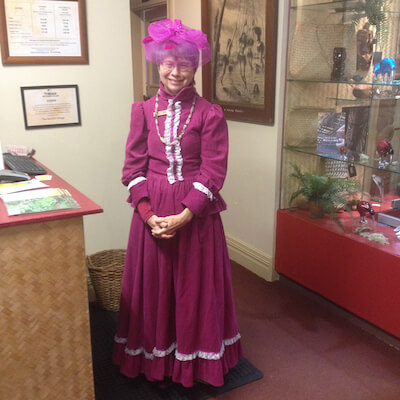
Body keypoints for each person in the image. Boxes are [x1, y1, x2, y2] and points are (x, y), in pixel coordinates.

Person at [113, 19, 242, 388]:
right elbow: (132, 169)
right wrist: (150, 216)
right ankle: (155, 359)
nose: (175, 71)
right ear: (158, 63)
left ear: (195, 67)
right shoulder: (141, 111)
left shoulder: (210, 114)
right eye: (168, 63)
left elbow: (214, 171)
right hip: (150, 211)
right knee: (153, 286)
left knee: (193, 289)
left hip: (196, 213)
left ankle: (194, 364)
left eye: (185, 64)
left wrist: (185, 214)